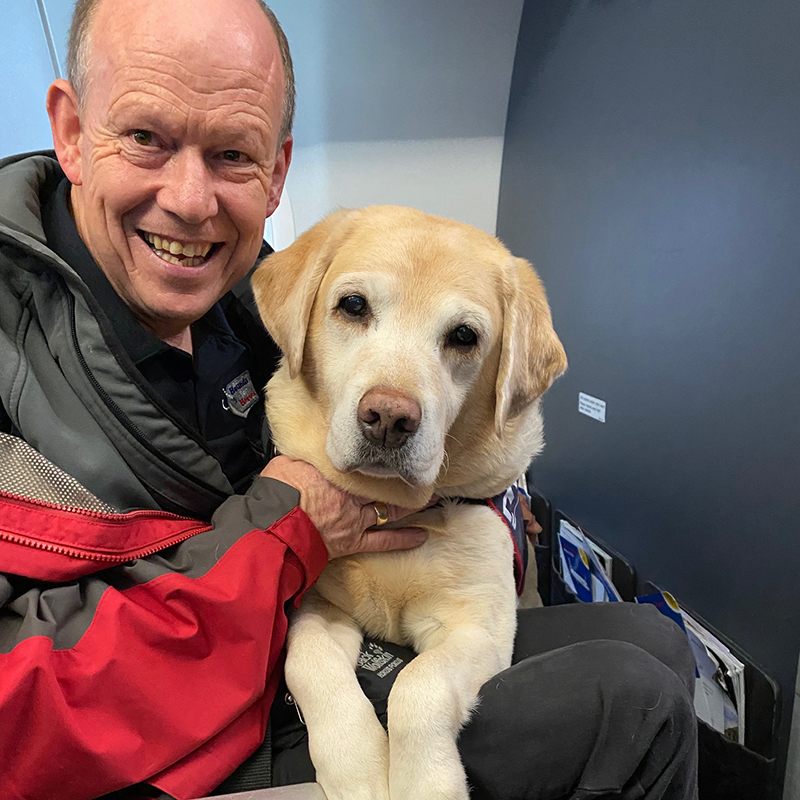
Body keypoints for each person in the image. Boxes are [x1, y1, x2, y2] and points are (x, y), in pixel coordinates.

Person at [0, 0, 698, 798]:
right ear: (70, 129)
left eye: (232, 154)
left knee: (656, 644)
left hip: (285, 642)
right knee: (634, 704)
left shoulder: (242, 289)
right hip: (172, 742)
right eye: (145, 137)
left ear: (276, 171)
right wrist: (287, 530)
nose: (191, 200)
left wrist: (479, 504)